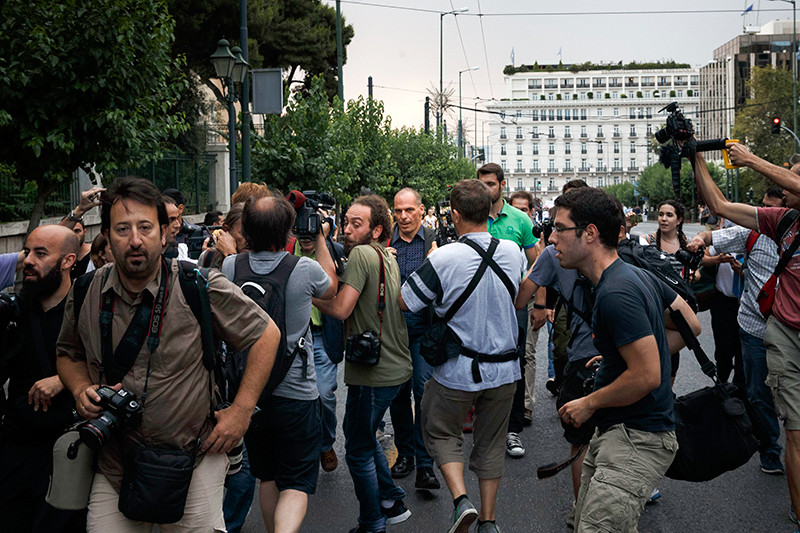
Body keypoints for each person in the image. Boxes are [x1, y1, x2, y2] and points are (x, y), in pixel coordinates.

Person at [56, 176, 281, 532]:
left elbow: (267, 335)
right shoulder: (85, 290)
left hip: (193, 459)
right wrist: (79, 386)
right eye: (122, 229)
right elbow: (68, 353)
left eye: (145, 227)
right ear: (108, 236)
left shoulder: (199, 285)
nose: (134, 240)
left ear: (164, 233)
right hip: (115, 465)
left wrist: (240, 413)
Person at [551, 187, 700, 532]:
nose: (551, 236)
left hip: (636, 438)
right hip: (623, 433)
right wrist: (624, 353)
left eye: (559, 228)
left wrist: (589, 402)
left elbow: (647, 375)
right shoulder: (634, 274)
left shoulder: (615, 293)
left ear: (589, 234)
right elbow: (690, 325)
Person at [398, 179, 523, 533]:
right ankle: (489, 520)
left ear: (454, 215)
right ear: (488, 210)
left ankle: (460, 500)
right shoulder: (513, 251)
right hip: (505, 371)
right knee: (492, 444)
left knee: (438, 428)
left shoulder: (444, 256)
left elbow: (407, 300)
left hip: (458, 371)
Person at [221, 194, 337, 533]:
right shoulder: (303, 269)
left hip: (249, 394)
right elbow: (331, 288)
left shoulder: (230, 267)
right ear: (288, 231)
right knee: (297, 482)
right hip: (296, 393)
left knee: (267, 476)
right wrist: (318, 238)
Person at [699, 145, 800, 530]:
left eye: (791, 180)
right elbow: (721, 206)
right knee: (794, 431)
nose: (784, 188)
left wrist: (753, 160)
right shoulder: (782, 220)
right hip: (783, 335)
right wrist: (695, 157)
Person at [313, 195, 413, 533]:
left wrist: (304, 294)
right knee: (363, 437)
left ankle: (372, 522)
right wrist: (319, 240)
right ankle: (391, 499)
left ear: (376, 229)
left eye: (358, 224)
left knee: (356, 449)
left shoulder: (359, 255)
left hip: (374, 371)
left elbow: (341, 308)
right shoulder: (385, 254)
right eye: (347, 222)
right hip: (394, 365)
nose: (348, 228)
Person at [515, 205, 603, 528]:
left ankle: (581, 510)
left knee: (579, 443)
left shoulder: (552, 255)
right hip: (620, 356)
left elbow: (520, 297)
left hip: (582, 358)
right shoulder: (615, 250)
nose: (551, 237)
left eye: (557, 228)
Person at [0, 225, 85, 532]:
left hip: (69, 450)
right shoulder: (14, 311)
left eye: (40, 253)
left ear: (67, 260)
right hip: (16, 447)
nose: (28, 261)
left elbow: (118, 369)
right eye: (26, 251)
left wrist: (65, 378)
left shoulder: (87, 310)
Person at [687, 215, 784, 475]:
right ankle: (769, 448)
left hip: (790, 330)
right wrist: (701, 239)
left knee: (779, 393)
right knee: (756, 390)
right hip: (750, 325)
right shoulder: (751, 232)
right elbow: (710, 238)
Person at [476, 163, 538, 458]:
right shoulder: (473, 217)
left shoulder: (519, 220)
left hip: (514, 305)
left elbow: (538, 265)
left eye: (490, 184)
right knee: (479, 358)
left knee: (514, 363)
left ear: (502, 185)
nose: (485, 189)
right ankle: (485, 426)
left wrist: (538, 302)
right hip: (478, 304)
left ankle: (512, 430)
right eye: (481, 184)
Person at [387, 188, 439, 490]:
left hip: (423, 332)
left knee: (423, 393)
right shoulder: (385, 242)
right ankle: (404, 454)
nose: (404, 216)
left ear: (421, 210)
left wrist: (439, 260)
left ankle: (425, 463)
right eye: (398, 210)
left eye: (409, 210)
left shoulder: (436, 242)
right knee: (396, 394)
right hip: (393, 334)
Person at [294, 230, 345, 474]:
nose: (306, 234)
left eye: (310, 228)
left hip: (323, 335)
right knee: (297, 398)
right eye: (299, 227)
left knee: (324, 394)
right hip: (295, 337)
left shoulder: (335, 251)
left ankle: (326, 443)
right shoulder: (284, 252)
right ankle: (302, 450)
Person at [508, 190, 547, 425]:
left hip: (530, 297)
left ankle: (526, 404)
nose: (521, 214)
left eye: (525, 210)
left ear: (531, 212)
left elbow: (541, 267)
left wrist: (542, 303)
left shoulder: (537, 236)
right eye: (517, 209)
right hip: (509, 296)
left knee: (527, 352)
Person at [60, 186, 105, 279]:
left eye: (77, 231)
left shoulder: (95, 253)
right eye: (70, 231)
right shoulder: (59, 255)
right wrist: (80, 209)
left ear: (84, 232)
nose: (74, 235)